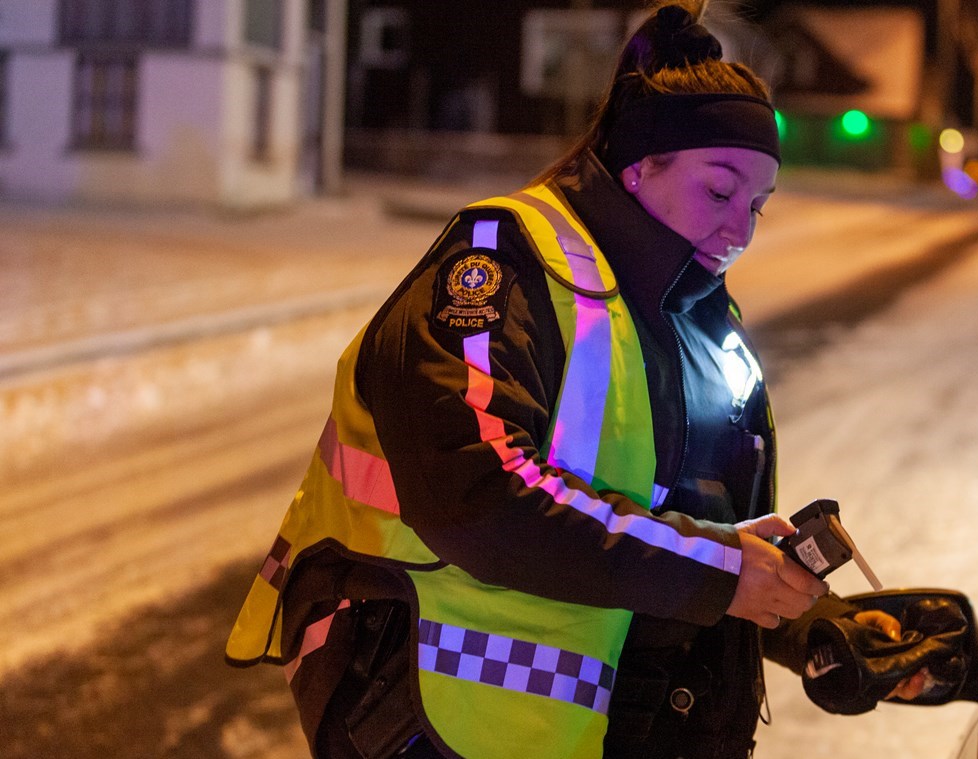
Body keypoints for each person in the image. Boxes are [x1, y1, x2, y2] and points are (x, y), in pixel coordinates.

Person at [226, 3, 937, 757]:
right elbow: (476, 495)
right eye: (720, 190)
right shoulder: (499, 264)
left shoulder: (692, 315)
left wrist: (809, 620)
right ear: (639, 165)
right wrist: (726, 570)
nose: (742, 230)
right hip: (441, 721)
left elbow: (682, 525)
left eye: (759, 204)